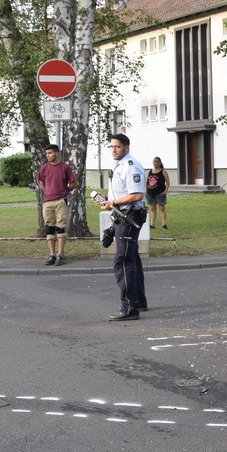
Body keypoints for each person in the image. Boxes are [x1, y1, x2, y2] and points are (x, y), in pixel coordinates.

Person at [97, 132, 147, 322]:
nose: (113, 150)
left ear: (126, 147)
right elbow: (121, 193)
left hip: (130, 216)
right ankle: (139, 301)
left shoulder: (131, 166)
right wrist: (109, 202)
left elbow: (136, 195)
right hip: (122, 214)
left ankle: (129, 308)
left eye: (117, 146)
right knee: (132, 257)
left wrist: (113, 202)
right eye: (111, 146)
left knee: (124, 261)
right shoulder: (118, 165)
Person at [36, 144, 78, 266]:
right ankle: (52, 255)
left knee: (60, 227)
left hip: (61, 201)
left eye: (50, 153)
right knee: (49, 228)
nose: (48, 155)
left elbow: (74, 183)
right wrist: (47, 192)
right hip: (47, 202)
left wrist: (65, 191)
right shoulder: (44, 168)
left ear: (56, 153)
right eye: (46, 154)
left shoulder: (65, 167)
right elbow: (41, 182)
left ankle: (60, 254)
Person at [146, 157, 170, 230]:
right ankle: (152, 225)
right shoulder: (150, 171)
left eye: (157, 162)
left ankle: (164, 225)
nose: (155, 163)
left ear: (160, 163)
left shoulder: (163, 171)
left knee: (162, 209)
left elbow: (168, 182)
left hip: (160, 193)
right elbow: (147, 182)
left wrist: (165, 191)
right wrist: (146, 190)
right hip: (150, 193)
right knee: (152, 209)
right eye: (154, 162)